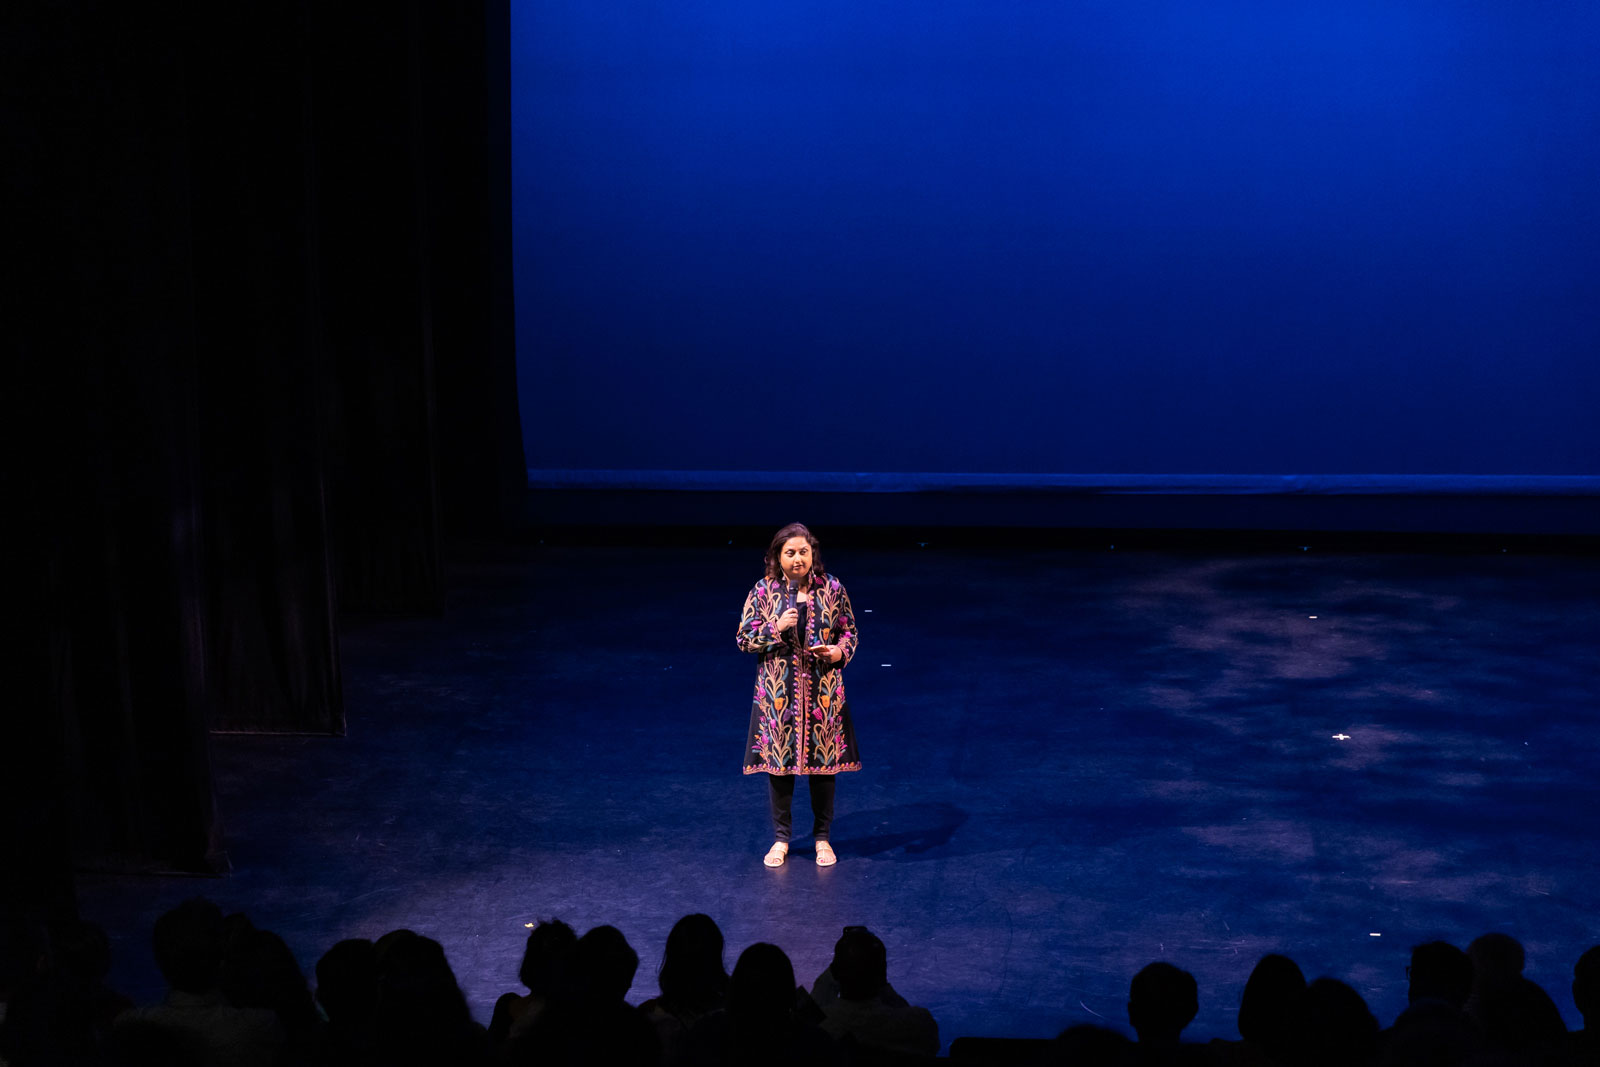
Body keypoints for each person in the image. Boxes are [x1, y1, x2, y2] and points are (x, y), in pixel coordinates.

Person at [737, 523, 860, 868]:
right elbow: (744, 638)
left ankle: (822, 837)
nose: (797, 559)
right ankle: (781, 838)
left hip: (822, 693)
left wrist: (838, 652)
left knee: (824, 769)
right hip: (779, 694)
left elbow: (849, 631)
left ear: (812, 554)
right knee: (780, 769)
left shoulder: (831, 588)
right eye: (789, 552)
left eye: (803, 552)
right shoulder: (763, 591)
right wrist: (776, 627)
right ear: (777, 556)